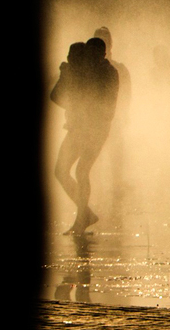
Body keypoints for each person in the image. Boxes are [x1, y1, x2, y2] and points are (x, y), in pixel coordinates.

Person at [51, 37, 119, 235]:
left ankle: (82, 217)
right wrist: (66, 76)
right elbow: (57, 96)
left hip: (97, 129)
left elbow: (101, 101)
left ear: (102, 54)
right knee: (60, 171)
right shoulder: (84, 71)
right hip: (78, 128)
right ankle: (86, 213)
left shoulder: (108, 72)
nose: (89, 57)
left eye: (93, 54)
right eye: (87, 54)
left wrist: (73, 77)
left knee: (82, 171)